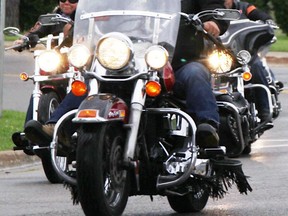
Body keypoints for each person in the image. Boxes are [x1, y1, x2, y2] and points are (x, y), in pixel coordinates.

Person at [22, 0, 229, 149]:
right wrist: (77, 34)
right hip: (123, 60)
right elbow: (95, 10)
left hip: (174, 61)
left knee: (195, 73)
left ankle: (207, 128)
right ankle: (56, 127)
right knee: (90, 80)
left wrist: (214, 22)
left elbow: (213, 7)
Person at [12, 0, 80, 148]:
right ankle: (29, 131)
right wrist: (23, 40)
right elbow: (37, 29)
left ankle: (66, 128)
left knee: (80, 87)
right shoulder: (53, 17)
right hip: (59, 61)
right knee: (40, 81)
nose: (67, 3)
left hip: (79, 61)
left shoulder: (86, 16)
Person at [224, 0, 277, 124]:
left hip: (243, 53)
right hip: (221, 55)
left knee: (256, 66)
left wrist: (267, 20)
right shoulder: (209, 9)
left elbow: (257, 14)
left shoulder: (243, 7)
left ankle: (264, 110)